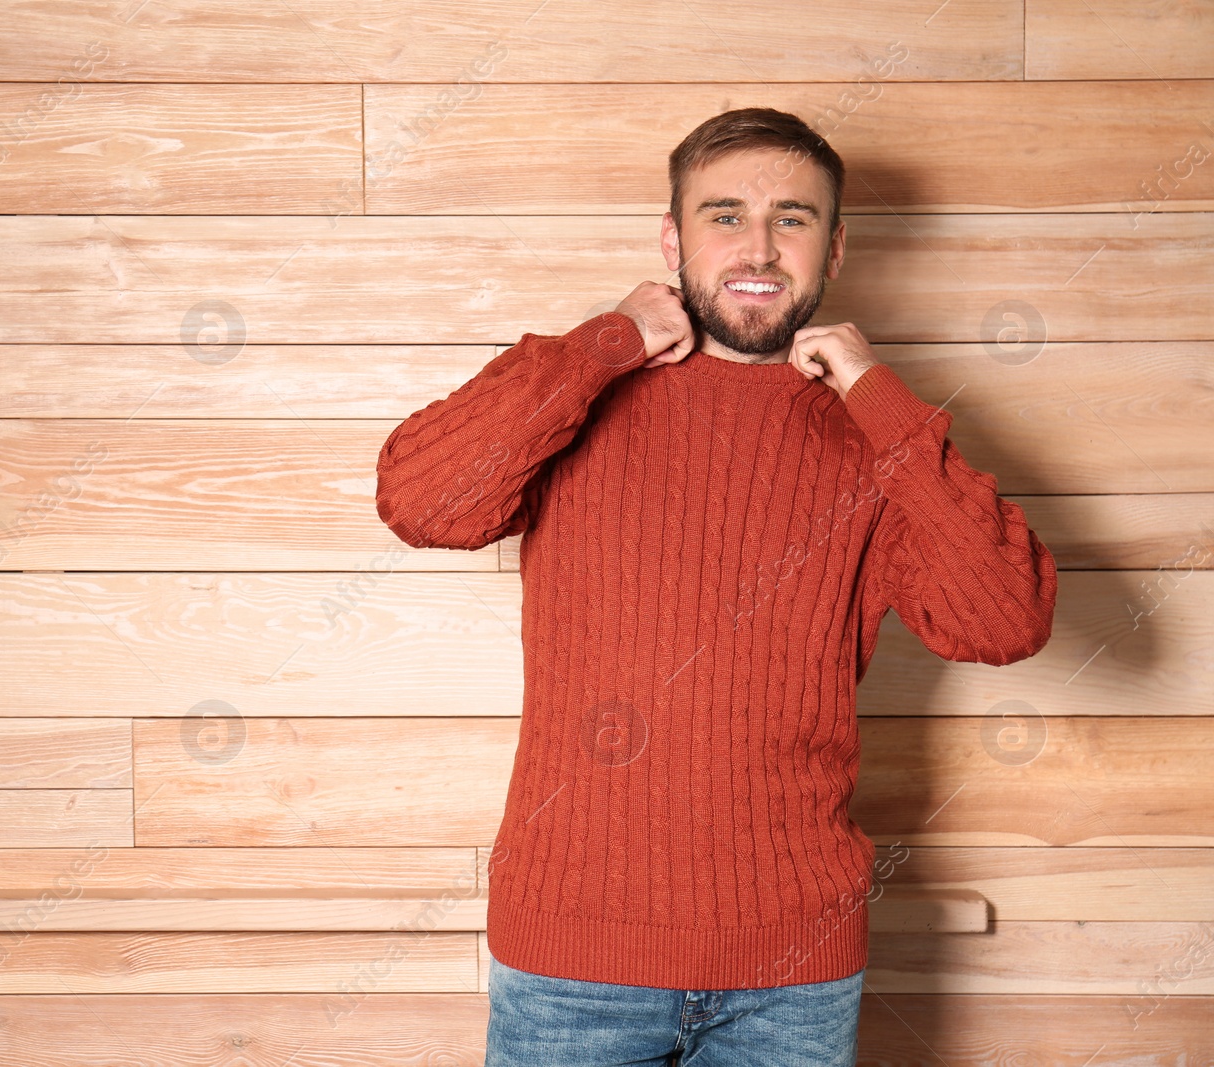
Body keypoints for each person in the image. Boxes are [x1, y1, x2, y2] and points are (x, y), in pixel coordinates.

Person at [374, 106, 1057, 1066]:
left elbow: (1005, 618)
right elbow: (421, 501)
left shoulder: (875, 441)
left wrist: (876, 392)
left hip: (795, 970)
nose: (760, 245)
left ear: (835, 247)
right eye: (726, 215)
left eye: (794, 218)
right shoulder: (583, 395)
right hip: (573, 959)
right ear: (672, 239)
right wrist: (601, 342)